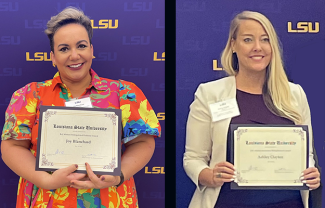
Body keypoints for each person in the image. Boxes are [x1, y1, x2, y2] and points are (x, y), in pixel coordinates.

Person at [1, 7, 161, 207]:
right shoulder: (29, 95)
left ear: (92, 51)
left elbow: (142, 143)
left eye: (81, 46)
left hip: (109, 197)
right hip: (46, 199)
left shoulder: (124, 93)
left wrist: (119, 175)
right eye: (64, 49)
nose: (74, 55)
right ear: (52, 57)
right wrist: (46, 180)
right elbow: (12, 146)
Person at [183, 11, 321, 208]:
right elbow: (193, 159)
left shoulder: (295, 94)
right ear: (233, 44)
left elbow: (305, 154)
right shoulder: (210, 93)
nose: (258, 47)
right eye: (248, 39)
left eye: (265, 40)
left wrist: (310, 172)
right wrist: (209, 176)